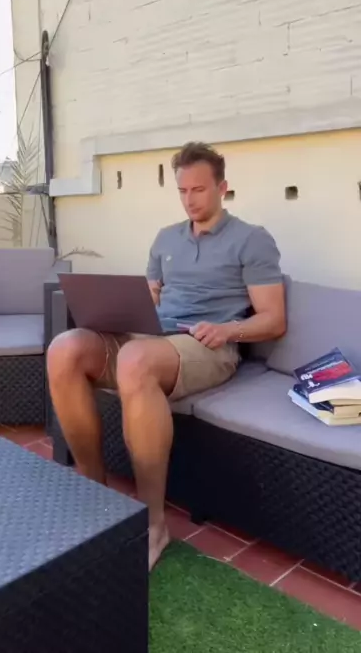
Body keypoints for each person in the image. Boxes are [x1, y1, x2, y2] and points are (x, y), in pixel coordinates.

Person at [47, 142, 286, 570]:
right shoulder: (166, 239)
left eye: (199, 189)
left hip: (208, 346)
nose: (190, 199)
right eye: (183, 191)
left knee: (135, 360)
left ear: (223, 188)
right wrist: (119, 313)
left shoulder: (252, 240)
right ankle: (94, 494)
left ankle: (153, 523)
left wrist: (227, 329)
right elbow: (151, 297)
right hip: (151, 336)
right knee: (65, 348)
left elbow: (274, 319)